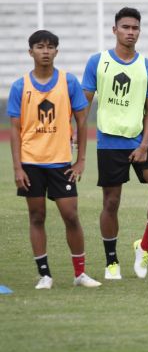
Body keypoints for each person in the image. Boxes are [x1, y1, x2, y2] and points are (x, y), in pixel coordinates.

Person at [82, 7, 148, 280]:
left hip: (140, 141)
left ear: (139, 31)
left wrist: (145, 144)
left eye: (135, 28)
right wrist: (74, 133)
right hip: (109, 143)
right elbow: (84, 103)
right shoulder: (97, 62)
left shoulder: (147, 67)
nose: (130, 32)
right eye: (125, 27)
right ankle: (111, 263)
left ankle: (143, 248)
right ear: (115, 30)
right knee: (111, 203)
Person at [7, 30, 101, 289]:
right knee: (36, 216)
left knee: (71, 215)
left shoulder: (68, 82)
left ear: (57, 51)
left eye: (50, 47)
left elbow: (82, 121)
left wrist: (80, 159)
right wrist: (17, 167)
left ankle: (79, 274)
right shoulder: (19, 86)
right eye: (40, 46)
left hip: (61, 163)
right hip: (31, 163)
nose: (45, 51)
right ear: (31, 52)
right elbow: (14, 130)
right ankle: (45, 274)